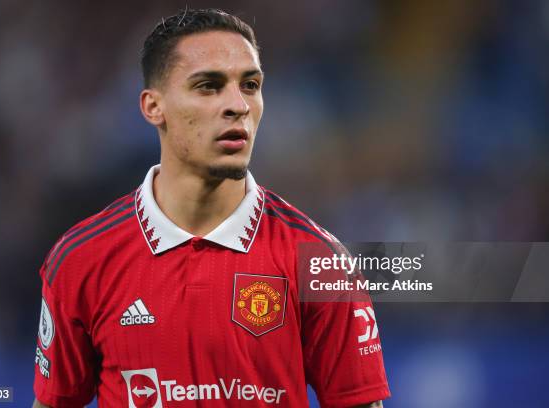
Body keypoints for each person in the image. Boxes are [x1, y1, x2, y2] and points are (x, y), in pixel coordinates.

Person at [33, 8, 389, 408]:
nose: (238, 105)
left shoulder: (319, 261)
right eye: (208, 86)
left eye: (250, 85)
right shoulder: (81, 260)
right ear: (154, 107)